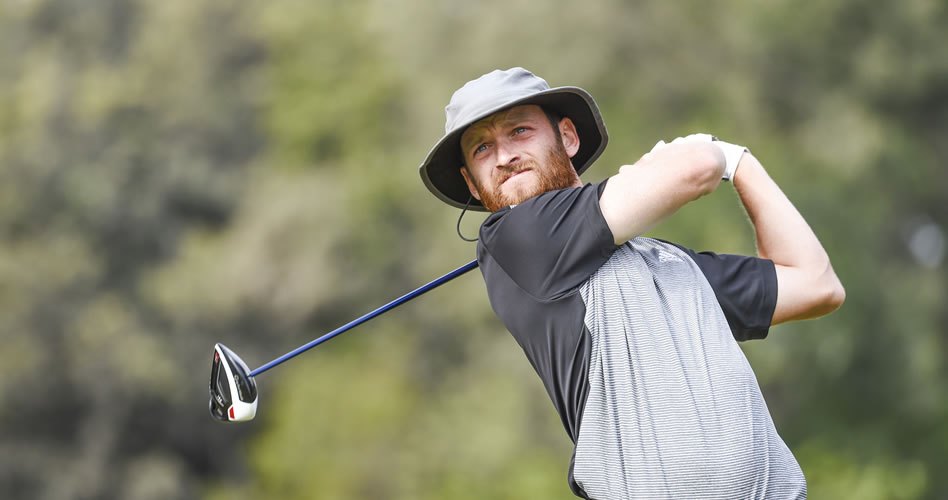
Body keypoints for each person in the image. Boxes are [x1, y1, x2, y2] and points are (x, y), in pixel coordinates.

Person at [419, 67, 844, 499]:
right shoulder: (512, 239)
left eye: (520, 131)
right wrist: (713, 154)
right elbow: (695, 167)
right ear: (472, 182)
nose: (504, 156)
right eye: (483, 148)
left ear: (567, 137)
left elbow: (816, 285)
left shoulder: (668, 264)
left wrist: (741, 162)